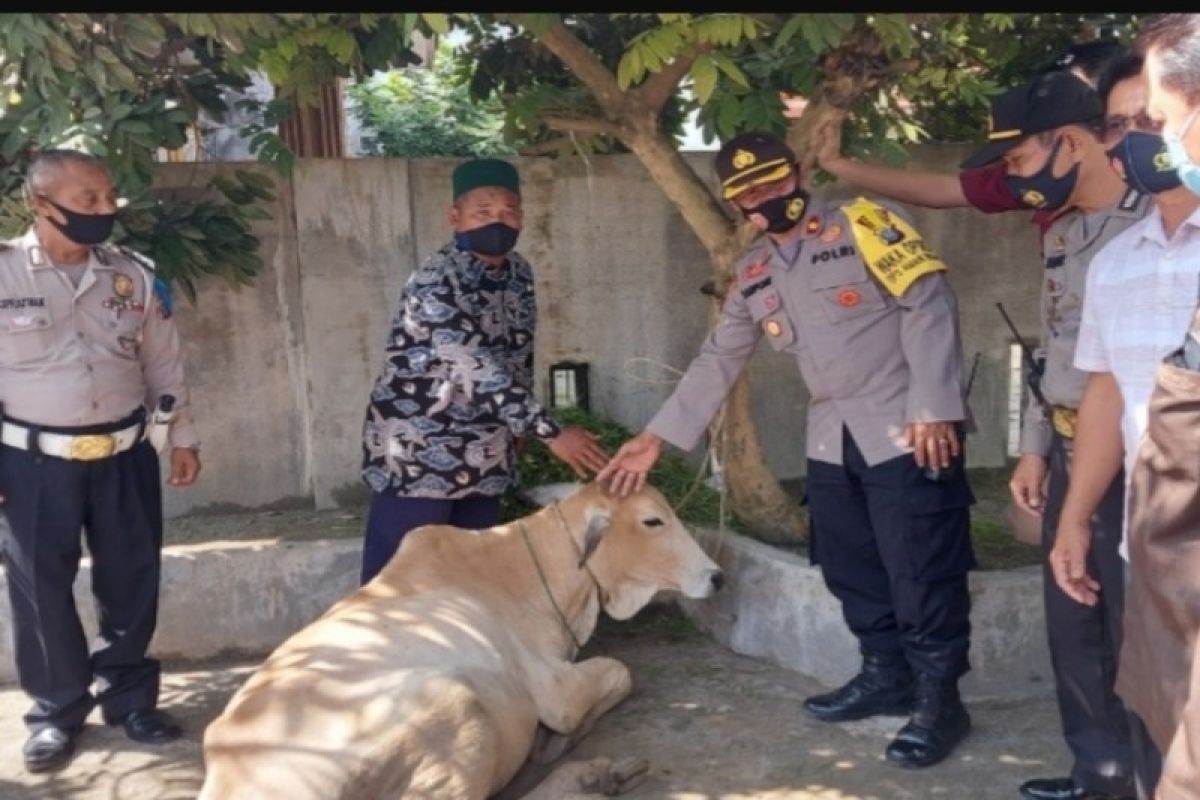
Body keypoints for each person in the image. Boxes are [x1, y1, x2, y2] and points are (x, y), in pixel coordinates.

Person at [599, 131, 976, 769]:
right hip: (830, 435)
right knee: (849, 566)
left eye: (774, 182)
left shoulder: (867, 222)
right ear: (736, 203)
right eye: (749, 194)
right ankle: (886, 675)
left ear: (798, 174)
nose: (766, 199)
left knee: (921, 568)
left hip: (906, 424)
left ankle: (941, 701)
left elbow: (928, 304)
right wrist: (654, 437)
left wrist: (936, 406)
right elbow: (721, 356)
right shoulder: (755, 270)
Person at [955, 71, 1154, 800]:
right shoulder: (1064, 232)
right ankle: (1098, 773)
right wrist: (1034, 448)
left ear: (1069, 143)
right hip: (1073, 451)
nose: (1011, 179)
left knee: (1143, 635)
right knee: (1074, 626)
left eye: (1015, 161)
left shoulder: (1157, 223)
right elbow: (1057, 350)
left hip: (1144, 461)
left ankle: (1150, 779)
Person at [0, 149, 202, 773]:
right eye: (87, 200)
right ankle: (56, 712)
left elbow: (163, 363)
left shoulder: (134, 276)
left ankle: (131, 699)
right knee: (40, 592)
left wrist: (183, 438)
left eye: (108, 197)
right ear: (41, 203)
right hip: (30, 464)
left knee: (131, 582)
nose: (104, 210)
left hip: (124, 455)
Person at [1047, 46, 1200, 800]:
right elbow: (1105, 395)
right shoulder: (1114, 263)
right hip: (1152, 542)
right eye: (1122, 125)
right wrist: (1076, 521)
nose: (1142, 137)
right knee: (1157, 730)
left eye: (1157, 119)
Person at [359, 157, 608, 585]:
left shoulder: (518, 274)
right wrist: (551, 431)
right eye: (484, 212)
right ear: (455, 217)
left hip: (487, 452)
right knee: (400, 578)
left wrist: (519, 429)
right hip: (421, 452)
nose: (499, 221)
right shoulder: (435, 279)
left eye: (510, 212)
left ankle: (461, 653)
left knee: (472, 574)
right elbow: (472, 364)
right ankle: (383, 653)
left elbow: (517, 354)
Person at [810, 41, 1126, 222]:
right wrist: (837, 164)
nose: (1063, 100)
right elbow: (944, 190)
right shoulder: (1037, 170)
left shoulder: (1161, 176)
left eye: (1073, 90)